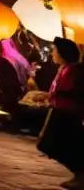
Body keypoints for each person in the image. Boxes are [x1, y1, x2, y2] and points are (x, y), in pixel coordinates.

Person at [37, 37, 84, 189]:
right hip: (60, 111)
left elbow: (68, 92)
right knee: (53, 145)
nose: (53, 54)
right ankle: (79, 175)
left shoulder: (73, 71)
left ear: (63, 53)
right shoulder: (64, 69)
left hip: (67, 114)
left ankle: (81, 174)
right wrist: (47, 96)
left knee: (57, 145)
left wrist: (51, 96)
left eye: (55, 51)